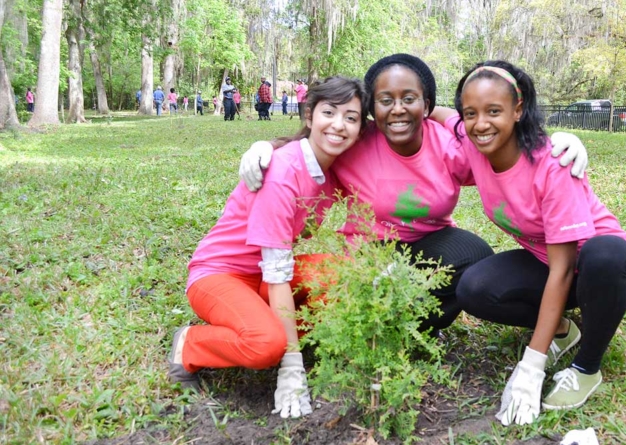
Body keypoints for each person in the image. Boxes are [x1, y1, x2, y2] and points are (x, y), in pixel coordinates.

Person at [239, 54, 588, 335]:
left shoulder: (451, 146)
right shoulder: (357, 142)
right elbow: (315, 143)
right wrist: (266, 145)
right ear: (372, 109)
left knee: (476, 258)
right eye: (385, 100)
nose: (398, 109)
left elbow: (505, 146)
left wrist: (554, 142)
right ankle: (367, 321)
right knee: (336, 296)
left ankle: (413, 330)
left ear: (427, 104)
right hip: (367, 251)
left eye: (409, 99)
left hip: (428, 242)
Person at [431, 61, 626, 426]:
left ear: (518, 110)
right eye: (472, 113)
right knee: (474, 288)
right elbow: (439, 113)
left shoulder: (552, 164)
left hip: (610, 270)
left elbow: (564, 268)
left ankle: (586, 368)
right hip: (548, 263)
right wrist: (394, 108)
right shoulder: (473, 140)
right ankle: (564, 330)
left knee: (602, 253)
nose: (481, 123)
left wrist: (532, 365)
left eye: (494, 111)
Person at [168, 76, 369, 419]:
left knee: (345, 274)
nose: (339, 125)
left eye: (351, 117)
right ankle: (190, 343)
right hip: (220, 275)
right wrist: (291, 366)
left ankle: (274, 327)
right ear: (309, 116)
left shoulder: (334, 168)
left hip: (265, 273)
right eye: (330, 112)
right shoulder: (282, 171)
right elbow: (278, 273)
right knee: (267, 346)